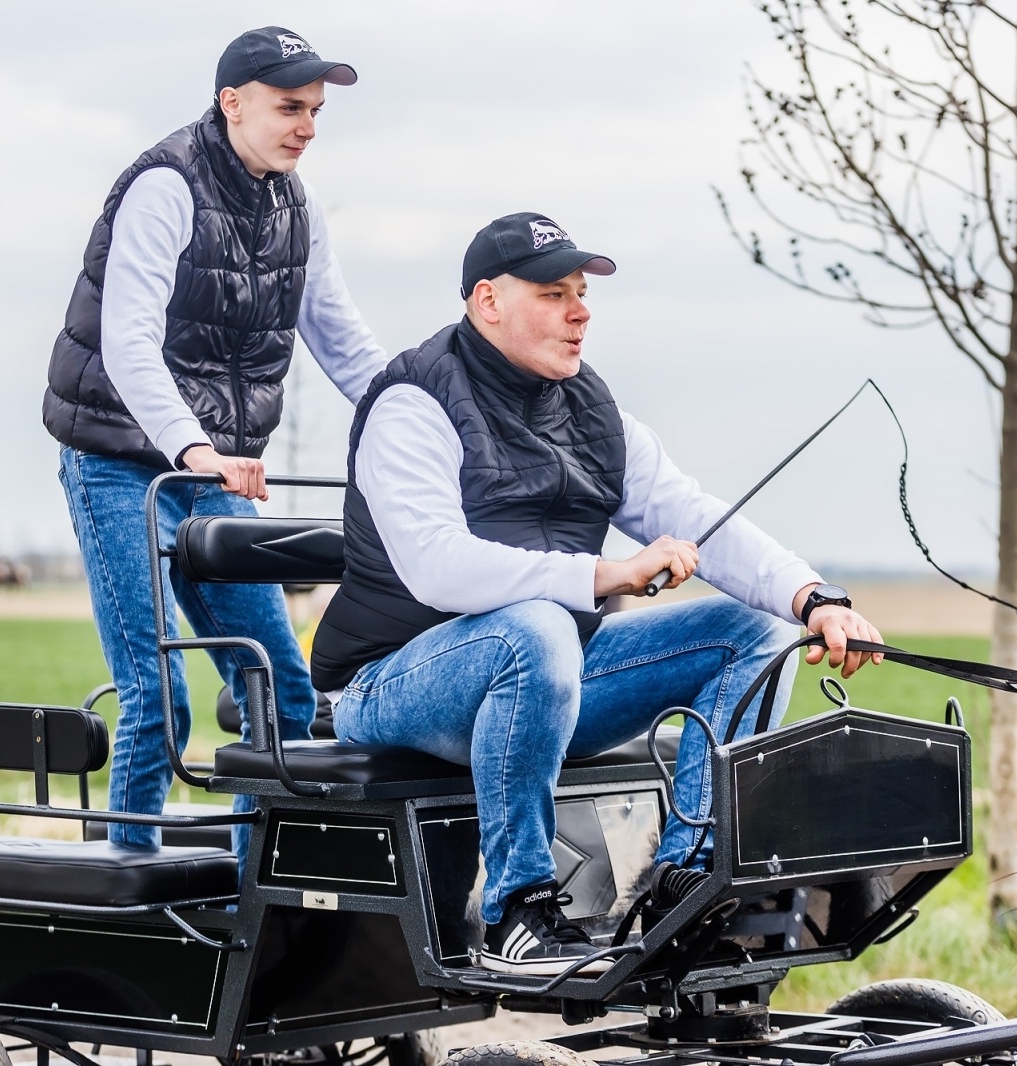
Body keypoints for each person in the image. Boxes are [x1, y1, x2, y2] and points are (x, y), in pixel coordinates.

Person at [309, 212, 884, 976]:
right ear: (488, 302)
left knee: (757, 633)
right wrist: (601, 575)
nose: (580, 312)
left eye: (582, 293)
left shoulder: (594, 411)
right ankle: (518, 906)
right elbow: (437, 568)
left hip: (546, 673)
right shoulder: (413, 401)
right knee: (537, 628)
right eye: (554, 293)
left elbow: (696, 517)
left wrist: (813, 598)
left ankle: (689, 877)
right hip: (392, 683)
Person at [42, 27, 387, 849]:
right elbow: (127, 343)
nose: (306, 125)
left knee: (281, 690)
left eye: (315, 110)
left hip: (214, 475)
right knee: (158, 696)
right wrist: (194, 449)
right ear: (233, 103)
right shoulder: (166, 187)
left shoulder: (296, 207)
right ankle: (127, 880)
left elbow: (342, 340)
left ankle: (252, 898)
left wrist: (427, 419)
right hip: (121, 464)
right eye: (288, 106)